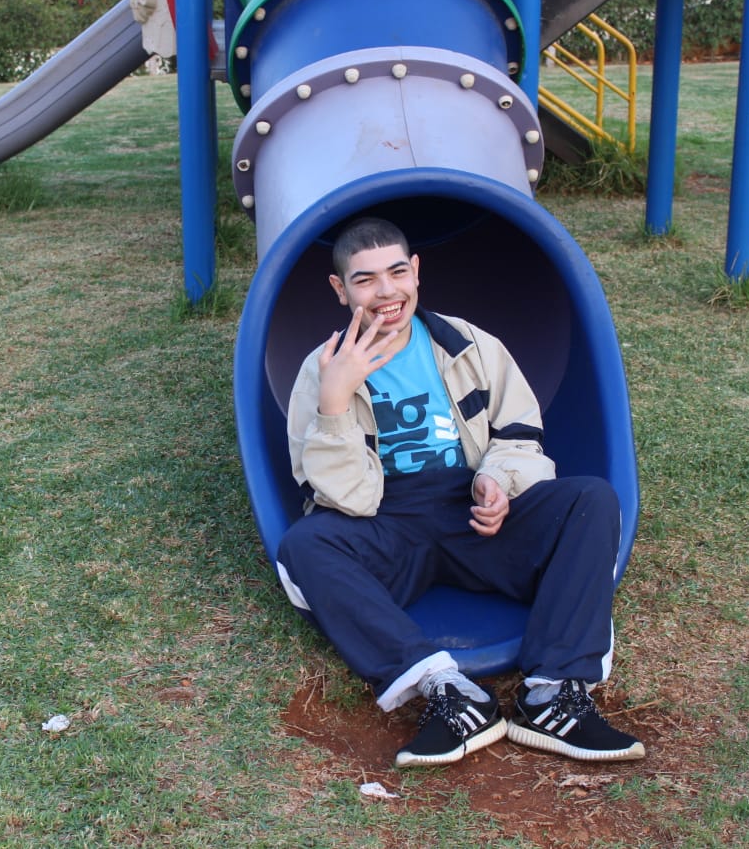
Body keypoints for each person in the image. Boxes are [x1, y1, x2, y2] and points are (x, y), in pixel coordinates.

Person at [275, 217, 645, 768]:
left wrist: (498, 481)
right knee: (303, 547)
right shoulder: (320, 372)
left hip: (469, 511)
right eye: (365, 280)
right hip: (386, 522)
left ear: (416, 271)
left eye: (396, 273)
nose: (386, 292)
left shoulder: (468, 344)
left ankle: (554, 693)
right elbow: (343, 498)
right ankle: (447, 691)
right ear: (340, 289)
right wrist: (334, 404)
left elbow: (520, 434)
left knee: (590, 499)